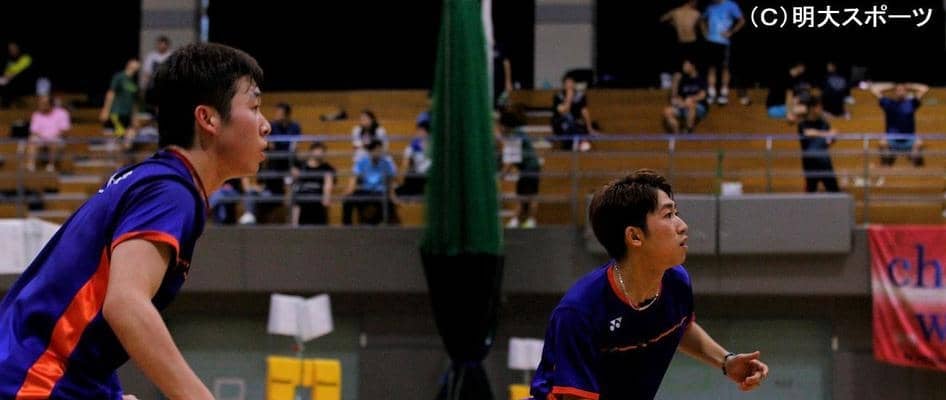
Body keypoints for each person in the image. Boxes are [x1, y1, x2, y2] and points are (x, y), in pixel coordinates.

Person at [0, 42, 270, 399]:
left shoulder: (150, 180)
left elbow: (87, 315)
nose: (266, 125)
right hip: (30, 380)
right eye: (254, 107)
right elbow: (125, 305)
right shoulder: (170, 191)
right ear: (208, 119)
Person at [531, 169, 769, 400]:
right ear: (635, 236)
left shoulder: (676, 281)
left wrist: (726, 361)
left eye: (676, 213)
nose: (682, 225)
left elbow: (679, 326)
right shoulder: (579, 312)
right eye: (668, 215)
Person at [868, 82, 929, 167]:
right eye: (898, 90)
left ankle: (916, 169)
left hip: (909, 139)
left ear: (906, 92)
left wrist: (908, 86)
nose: (901, 92)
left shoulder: (912, 103)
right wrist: (892, 86)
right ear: (895, 92)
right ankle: (886, 167)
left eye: (903, 90)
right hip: (892, 139)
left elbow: (924, 88)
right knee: (882, 142)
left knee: (919, 143)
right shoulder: (888, 103)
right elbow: (874, 89)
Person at [500, 106, 541, 229]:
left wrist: (502, 175)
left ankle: (526, 221)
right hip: (530, 168)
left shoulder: (515, 136)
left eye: (501, 126)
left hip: (530, 168)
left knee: (527, 196)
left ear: (506, 126)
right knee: (526, 195)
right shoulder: (518, 133)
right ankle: (521, 220)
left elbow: (511, 160)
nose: (500, 129)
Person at [342, 139, 399, 225]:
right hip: (365, 191)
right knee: (348, 200)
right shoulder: (361, 162)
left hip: (380, 192)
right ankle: (347, 226)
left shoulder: (386, 163)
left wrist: (393, 196)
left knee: (389, 203)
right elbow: (353, 180)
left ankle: (385, 225)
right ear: (370, 151)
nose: (378, 153)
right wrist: (348, 192)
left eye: (380, 150)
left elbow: (390, 183)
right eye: (375, 150)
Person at [700, 0, 744, 105]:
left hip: (724, 42)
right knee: (711, 67)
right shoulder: (710, 6)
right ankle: (712, 93)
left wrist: (731, 32)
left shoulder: (731, 5)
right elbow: (702, 20)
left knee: (725, 67)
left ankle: (723, 94)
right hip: (711, 42)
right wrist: (705, 33)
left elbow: (741, 20)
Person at [798, 97, 839, 193]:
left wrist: (833, 138)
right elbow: (809, 133)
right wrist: (827, 133)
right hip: (810, 163)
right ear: (812, 108)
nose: (821, 109)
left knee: (834, 191)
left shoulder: (824, 123)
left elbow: (827, 142)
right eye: (819, 107)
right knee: (811, 191)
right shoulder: (803, 123)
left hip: (825, 162)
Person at [291, 142, 336, 225]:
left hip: (318, 200)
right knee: (297, 203)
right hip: (302, 199)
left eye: (322, 152)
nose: (320, 154)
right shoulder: (300, 166)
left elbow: (328, 185)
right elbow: (293, 180)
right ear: (311, 151)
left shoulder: (327, 168)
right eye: (318, 151)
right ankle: (295, 227)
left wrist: (326, 197)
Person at [100, 58, 142, 145]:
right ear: (129, 64)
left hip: (128, 114)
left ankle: (124, 150)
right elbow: (111, 94)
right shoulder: (119, 77)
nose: (137, 65)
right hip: (117, 113)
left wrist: (135, 117)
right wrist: (106, 110)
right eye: (135, 62)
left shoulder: (134, 81)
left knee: (131, 134)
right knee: (122, 137)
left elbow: (134, 102)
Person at [25, 95, 71, 172]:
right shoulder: (36, 114)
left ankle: (51, 165)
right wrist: (44, 138)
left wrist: (52, 137)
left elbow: (64, 130)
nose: (40, 105)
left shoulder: (62, 113)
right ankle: (30, 165)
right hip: (41, 138)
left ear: (50, 104)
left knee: (54, 141)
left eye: (43, 104)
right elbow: (34, 131)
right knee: (32, 139)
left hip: (56, 137)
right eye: (40, 103)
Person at [660, 0, 701, 83]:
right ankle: (676, 85)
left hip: (689, 42)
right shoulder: (695, 13)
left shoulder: (675, 12)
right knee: (680, 67)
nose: (697, 4)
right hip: (685, 42)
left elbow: (662, 19)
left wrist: (674, 23)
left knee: (689, 67)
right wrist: (673, 24)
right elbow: (662, 19)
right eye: (695, 2)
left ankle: (693, 85)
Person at [663, 59, 708, 134]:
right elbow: (679, 96)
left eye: (686, 65)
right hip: (685, 105)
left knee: (691, 105)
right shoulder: (683, 80)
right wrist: (680, 102)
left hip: (699, 107)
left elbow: (703, 95)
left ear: (693, 66)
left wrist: (692, 99)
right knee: (667, 111)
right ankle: (677, 132)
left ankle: (688, 130)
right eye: (684, 66)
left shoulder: (701, 78)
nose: (684, 68)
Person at [552, 75, 595, 151]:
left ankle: (575, 144)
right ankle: (580, 142)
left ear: (574, 84)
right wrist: (569, 98)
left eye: (571, 83)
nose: (569, 85)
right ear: (563, 85)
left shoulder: (580, 96)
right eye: (567, 83)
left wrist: (589, 127)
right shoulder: (558, 96)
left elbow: (584, 112)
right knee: (568, 118)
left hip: (576, 123)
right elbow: (563, 111)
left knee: (577, 125)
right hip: (561, 123)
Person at [395, 119, 431, 198]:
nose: (418, 133)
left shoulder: (433, 145)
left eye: (421, 131)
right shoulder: (414, 144)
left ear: (427, 132)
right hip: (417, 174)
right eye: (418, 130)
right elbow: (406, 162)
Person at [141, 36, 173, 114]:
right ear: (157, 45)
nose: (161, 47)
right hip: (154, 86)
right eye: (160, 44)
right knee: (152, 108)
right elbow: (146, 73)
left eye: (164, 45)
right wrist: (144, 87)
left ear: (167, 45)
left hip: (167, 86)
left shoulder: (171, 55)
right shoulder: (151, 56)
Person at [0, 41, 33, 108]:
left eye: (13, 48)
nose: (12, 50)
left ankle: (7, 104)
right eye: (10, 49)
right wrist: (5, 76)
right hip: (8, 80)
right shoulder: (9, 60)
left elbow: (21, 71)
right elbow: (6, 72)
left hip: (22, 81)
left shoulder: (26, 58)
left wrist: (11, 75)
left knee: (6, 84)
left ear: (18, 48)